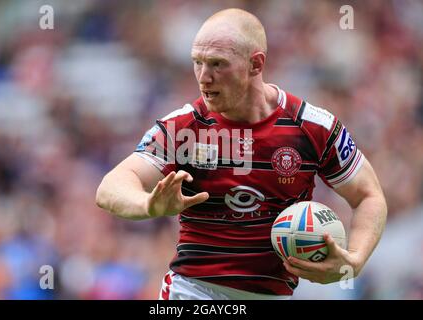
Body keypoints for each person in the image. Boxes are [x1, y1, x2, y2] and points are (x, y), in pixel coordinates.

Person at [96, 8, 387, 300]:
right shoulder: (185, 127)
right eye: (197, 62)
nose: (203, 77)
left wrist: (355, 259)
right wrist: (148, 204)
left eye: (217, 64)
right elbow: (111, 187)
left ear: (255, 64)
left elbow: (367, 195)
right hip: (194, 292)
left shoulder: (314, 127)